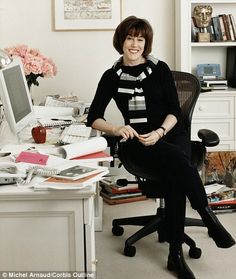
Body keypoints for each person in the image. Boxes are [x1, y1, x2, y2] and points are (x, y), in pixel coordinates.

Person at [87, 16, 235, 279]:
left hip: (168, 132)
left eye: (140, 39)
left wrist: (160, 132)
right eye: (130, 38)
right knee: (179, 164)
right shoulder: (111, 76)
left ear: (147, 43)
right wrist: (117, 129)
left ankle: (176, 253)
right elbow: (94, 117)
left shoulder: (160, 69)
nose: (134, 44)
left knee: (175, 165)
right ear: (121, 41)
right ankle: (206, 222)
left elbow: (174, 111)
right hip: (137, 140)